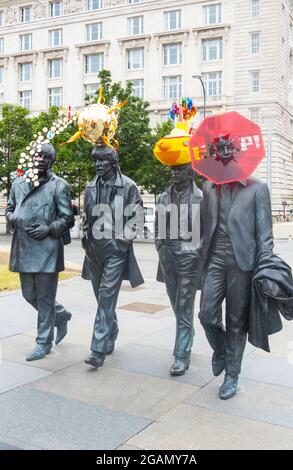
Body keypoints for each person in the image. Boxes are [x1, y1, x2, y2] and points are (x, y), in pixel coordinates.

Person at [199, 135, 274, 399]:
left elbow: (265, 236)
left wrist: (265, 269)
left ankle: (232, 373)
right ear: (215, 155)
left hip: (243, 263)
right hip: (215, 260)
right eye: (220, 150)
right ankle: (221, 350)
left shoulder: (257, 187)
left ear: (239, 152)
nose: (226, 153)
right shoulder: (208, 186)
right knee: (206, 315)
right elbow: (204, 228)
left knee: (236, 321)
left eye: (230, 148)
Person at [6, 143, 74, 361]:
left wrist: (49, 228)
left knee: (45, 298)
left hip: (47, 249)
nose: (40, 159)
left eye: (45, 157)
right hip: (24, 246)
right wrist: (11, 218)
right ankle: (61, 315)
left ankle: (43, 342)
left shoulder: (59, 185)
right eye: (36, 155)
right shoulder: (17, 184)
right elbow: (9, 208)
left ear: (51, 161)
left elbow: (67, 218)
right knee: (29, 294)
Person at [82, 145, 144, 368]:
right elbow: (86, 215)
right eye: (95, 161)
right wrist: (84, 236)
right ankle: (111, 328)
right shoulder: (90, 186)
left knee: (107, 296)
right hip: (93, 250)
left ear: (113, 163)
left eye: (102, 161)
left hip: (115, 250)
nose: (97, 165)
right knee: (101, 297)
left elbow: (136, 219)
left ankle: (97, 350)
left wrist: (121, 241)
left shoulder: (128, 187)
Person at [155, 163, 202, 376]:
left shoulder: (201, 198)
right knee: (175, 302)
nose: (174, 173)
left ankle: (182, 355)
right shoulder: (162, 198)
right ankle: (187, 332)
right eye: (172, 169)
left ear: (190, 172)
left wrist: (194, 250)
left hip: (189, 255)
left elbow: (207, 231)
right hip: (168, 255)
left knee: (184, 303)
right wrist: (160, 245)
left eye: (180, 169)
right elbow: (158, 226)